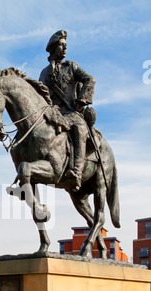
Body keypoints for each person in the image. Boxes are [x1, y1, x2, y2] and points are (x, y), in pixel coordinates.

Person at [39, 30, 96, 191]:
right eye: (61, 45)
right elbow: (40, 93)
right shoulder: (44, 72)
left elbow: (90, 79)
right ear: (52, 48)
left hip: (71, 112)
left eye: (66, 46)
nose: (64, 48)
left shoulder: (71, 66)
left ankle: (76, 171)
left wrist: (83, 100)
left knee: (79, 129)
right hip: (53, 112)